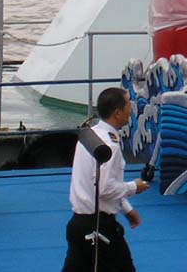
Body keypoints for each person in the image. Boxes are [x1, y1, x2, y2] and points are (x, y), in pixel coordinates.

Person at [63, 87, 150, 272]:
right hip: (97, 227)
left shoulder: (90, 136)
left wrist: (126, 209)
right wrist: (134, 187)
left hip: (79, 223)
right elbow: (105, 188)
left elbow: (98, 183)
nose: (131, 110)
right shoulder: (110, 146)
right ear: (118, 113)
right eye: (128, 105)